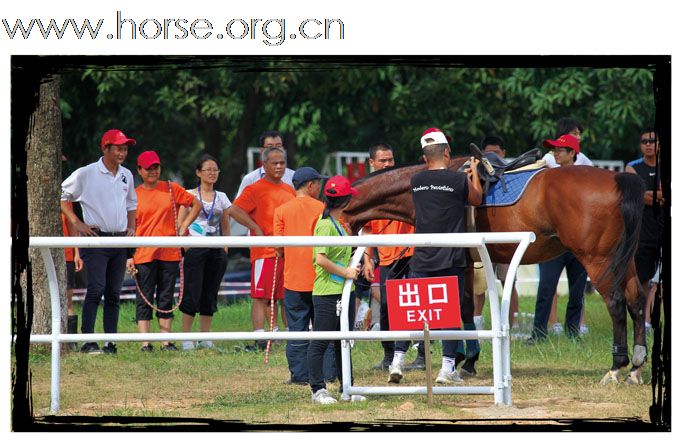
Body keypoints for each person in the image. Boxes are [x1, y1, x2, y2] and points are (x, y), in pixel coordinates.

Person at [388, 128, 482, 385]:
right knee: (449, 314)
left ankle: (397, 360)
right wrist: (473, 175)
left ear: (424, 157)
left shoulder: (416, 181)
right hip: (451, 258)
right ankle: (447, 369)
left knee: (415, 312)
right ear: (447, 152)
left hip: (422, 257)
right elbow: (477, 199)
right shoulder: (458, 180)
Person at [60, 129, 138, 354]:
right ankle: (88, 340)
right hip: (96, 239)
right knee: (96, 288)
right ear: (105, 148)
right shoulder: (87, 173)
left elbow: (132, 203)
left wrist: (131, 227)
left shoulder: (127, 175)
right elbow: (62, 196)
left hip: (119, 239)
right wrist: (77, 222)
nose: (123, 152)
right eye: (118, 148)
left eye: (125, 149)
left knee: (114, 291)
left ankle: (110, 342)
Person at [126, 150, 201, 352]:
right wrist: (129, 256)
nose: (152, 171)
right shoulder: (133, 195)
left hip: (169, 252)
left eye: (156, 167)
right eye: (148, 168)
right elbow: (129, 228)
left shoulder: (170, 188)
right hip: (143, 253)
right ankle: (145, 343)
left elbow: (196, 204)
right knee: (144, 297)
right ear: (139, 170)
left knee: (166, 296)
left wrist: (184, 225)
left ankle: (166, 341)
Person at [273, 167, 338, 385]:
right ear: (310, 185)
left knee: (296, 329)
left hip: (294, 280)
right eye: (318, 183)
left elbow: (279, 249)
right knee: (325, 331)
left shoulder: (281, 211)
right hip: (321, 280)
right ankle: (327, 374)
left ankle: (299, 375)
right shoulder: (323, 209)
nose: (320, 188)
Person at [360, 143, 420, 371]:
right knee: (385, 306)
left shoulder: (404, 183)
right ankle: (388, 355)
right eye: (383, 160)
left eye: (390, 160)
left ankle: (422, 354)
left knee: (415, 304)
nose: (387, 164)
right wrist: (367, 258)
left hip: (412, 252)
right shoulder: (367, 191)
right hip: (385, 257)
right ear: (371, 163)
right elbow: (367, 229)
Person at [230, 147, 296, 351]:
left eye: (282, 163)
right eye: (274, 163)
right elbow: (234, 210)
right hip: (264, 252)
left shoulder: (289, 189)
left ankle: (292, 335)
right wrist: (255, 228)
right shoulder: (255, 188)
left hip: (287, 251)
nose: (278, 167)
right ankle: (260, 337)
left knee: (287, 296)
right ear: (264, 165)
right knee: (261, 296)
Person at [308, 175, 364, 404]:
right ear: (345, 201)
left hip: (343, 291)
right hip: (327, 292)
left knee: (344, 340)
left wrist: (352, 266)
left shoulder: (337, 224)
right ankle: (317, 389)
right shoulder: (324, 225)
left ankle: (346, 387)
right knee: (321, 341)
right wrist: (346, 272)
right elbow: (320, 259)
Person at [529, 134, 588, 343]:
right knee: (545, 288)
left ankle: (572, 333)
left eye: (560, 150)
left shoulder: (584, 180)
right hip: (552, 243)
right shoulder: (547, 179)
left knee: (577, 292)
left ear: (572, 153)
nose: (555, 153)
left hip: (576, 246)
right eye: (554, 149)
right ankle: (538, 334)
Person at [177, 154, 232, 350]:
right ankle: (186, 338)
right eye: (208, 169)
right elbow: (180, 224)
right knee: (192, 293)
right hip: (195, 250)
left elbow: (226, 227)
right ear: (198, 172)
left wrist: (224, 250)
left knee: (210, 294)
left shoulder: (222, 197)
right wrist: (186, 248)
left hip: (216, 251)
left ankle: (205, 336)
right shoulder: (189, 194)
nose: (212, 173)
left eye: (215, 169)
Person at [472, 136, 520, 331]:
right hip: (482, 236)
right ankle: (476, 323)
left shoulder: (513, 175)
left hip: (505, 236)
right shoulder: (474, 172)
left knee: (508, 282)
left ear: (504, 153)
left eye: (497, 152)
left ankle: (512, 325)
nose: (493, 156)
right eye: (488, 153)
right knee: (479, 284)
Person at [625, 127, 663, 332]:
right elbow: (635, 195)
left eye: (652, 140)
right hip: (640, 233)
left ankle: (651, 321)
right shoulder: (632, 167)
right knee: (639, 280)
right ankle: (637, 321)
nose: (648, 144)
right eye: (644, 141)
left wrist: (647, 194)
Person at [236, 130, 295, 196]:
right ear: (261, 150)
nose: (275, 150)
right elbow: (239, 205)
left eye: (278, 146)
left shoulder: (293, 176)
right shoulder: (250, 179)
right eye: (270, 147)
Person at [62, 201, 84, 351]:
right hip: (39, 256)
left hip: (66, 256)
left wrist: (77, 253)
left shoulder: (65, 202)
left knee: (67, 302)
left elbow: (72, 227)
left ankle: (71, 343)